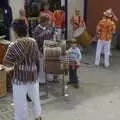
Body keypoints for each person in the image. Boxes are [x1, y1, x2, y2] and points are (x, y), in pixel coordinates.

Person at [3, 19, 42, 120]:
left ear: (15, 31)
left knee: (20, 105)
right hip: (33, 77)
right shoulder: (33, 42)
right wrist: (35, 74)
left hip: (19, 80)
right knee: (35, 101)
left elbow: (7, 63)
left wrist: (11, 69)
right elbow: (37, 60)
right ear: (26, 29)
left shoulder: (13, 45)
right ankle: (38, 117)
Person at [34, 14, 55, 83]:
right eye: (48, 21)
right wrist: (38, 52)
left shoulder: (49, 27)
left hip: (49, 49)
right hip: (41, 50)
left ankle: (50, 78)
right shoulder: (37, 29)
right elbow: (36, 40)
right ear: (44, 21)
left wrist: (53, 34)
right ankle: (41, 80)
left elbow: (52, 34)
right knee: (42, 65)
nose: (49, 22)